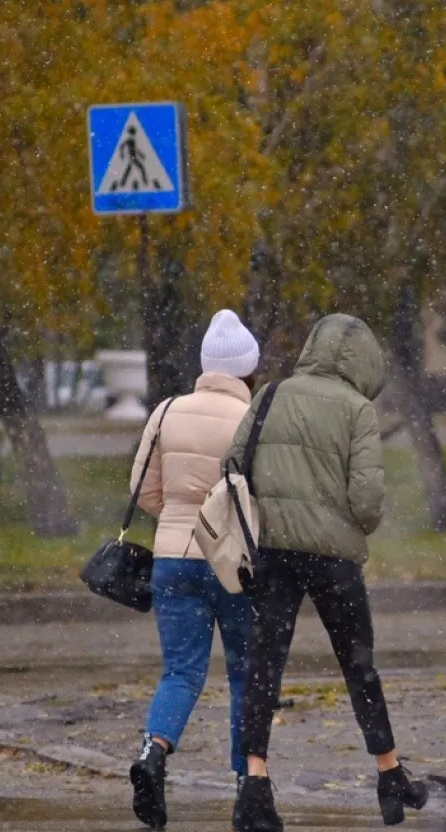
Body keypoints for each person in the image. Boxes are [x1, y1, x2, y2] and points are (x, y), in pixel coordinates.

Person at [225, 314, 429, 832]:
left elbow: (232, 464)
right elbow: (366, 501)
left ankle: (255, 783)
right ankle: (388, 775)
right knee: (358, 666)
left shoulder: (272, 394)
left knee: (264, 665)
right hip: (333, 558)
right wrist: (352, 518)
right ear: (364, 362)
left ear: (313, 347)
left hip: (272, 552)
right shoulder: (358, 409)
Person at [125, 310, 263, 830]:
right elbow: (261, 496)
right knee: (246, 676)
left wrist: (183, 523)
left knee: (181, 671)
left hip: (172, 559)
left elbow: (144, 488)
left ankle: (153, 753)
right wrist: (220, 529)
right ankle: (246, 784)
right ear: (247, 369)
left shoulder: (166, 411)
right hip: (234, 567)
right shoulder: (253, 420)